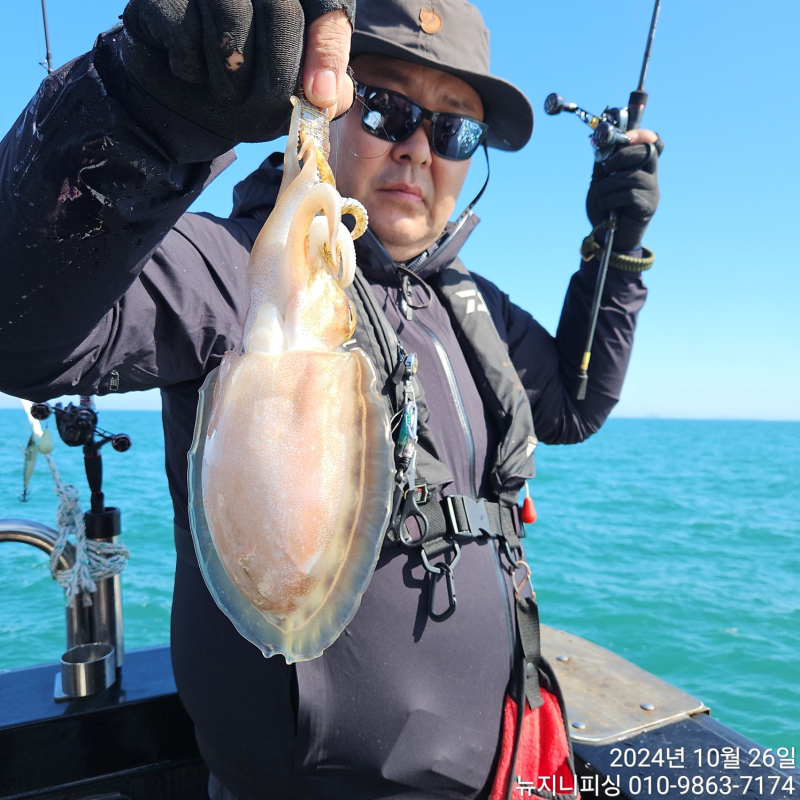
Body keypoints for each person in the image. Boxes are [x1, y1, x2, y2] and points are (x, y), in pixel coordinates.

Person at [0, 0, 662, 797]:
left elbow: (572, 406)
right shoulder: (238, 275)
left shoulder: (468, 305)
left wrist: (615, 253)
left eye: (453, 132)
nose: (419, 150)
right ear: (329, 99)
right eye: (387, 109)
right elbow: (25, 332)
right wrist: (143, 114)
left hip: (506, 765)